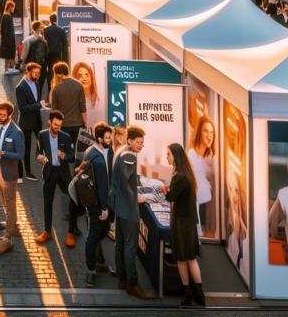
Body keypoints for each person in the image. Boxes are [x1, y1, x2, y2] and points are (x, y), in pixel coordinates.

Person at [109, 125, 155, 299]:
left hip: (118, 205)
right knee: (130, 246)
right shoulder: (129, 155)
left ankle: (122, 280)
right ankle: (133, 284)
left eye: (142, 143)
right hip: (127, 208)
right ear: (130, 140)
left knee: (120, 243)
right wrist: (134, 198)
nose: (141, 146)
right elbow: (127, 182)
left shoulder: (121, 149)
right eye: (138, 142)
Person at [161, 142, 205, 306]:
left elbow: (171, 197)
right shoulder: (186, 174)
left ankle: (188, 295)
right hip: (189, 222)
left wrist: (166, 191)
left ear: (175, 156)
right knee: (191, 259)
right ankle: (199, 295)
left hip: (181, 224)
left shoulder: (179, 176)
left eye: (168, 154)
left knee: (182, 260)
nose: (167, 156)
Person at [0, 101, 25, 255]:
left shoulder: (17, 132)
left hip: (8, 172)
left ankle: (7, 238)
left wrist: (3, 154)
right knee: (4, 201)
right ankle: (12, 224)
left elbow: (21, 155)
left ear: (10, 115)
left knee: (10, 203)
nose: (0, 117)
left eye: (3, 115)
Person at [35, 110, 77, 247]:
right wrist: (39, 157)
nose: (57, 127)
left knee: (72, 200)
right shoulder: (42, 135)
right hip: (49, 172)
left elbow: (73, 156)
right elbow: (38, 150)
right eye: (55, 124)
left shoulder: (65, 137)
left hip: (63, 172)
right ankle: (47, 231)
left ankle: (71, 232)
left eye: (59, 125)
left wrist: (65, 155)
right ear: (49, 122)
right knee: (47, 202)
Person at [83, 122, 114, 286]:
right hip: (97, 206)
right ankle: (91, 271)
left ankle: (94, 264)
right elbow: (102, 189)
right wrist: (104, 209)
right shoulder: (100, 161)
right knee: (92, 238)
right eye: (108, 138)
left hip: (90, 201)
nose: (110, 140)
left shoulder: (90, 151)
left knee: (96, 235)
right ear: (100, 139)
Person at [16, 63, 47, 181]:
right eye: (36, 73)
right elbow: (22, 108)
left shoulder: (37, 82)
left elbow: (36, 100)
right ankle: (27, 172)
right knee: (26, 148)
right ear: (28, 71)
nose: (38, 75)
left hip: (37, 120)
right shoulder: (20, 88)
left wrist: (42, 106)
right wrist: (37, 105)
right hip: (26, 123)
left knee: (44, 141)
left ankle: (44, 161)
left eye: (39, 73)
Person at [188, 116, 217, 237]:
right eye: (206, 131)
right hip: (199, 209)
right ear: (199, 131)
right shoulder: (192, 156)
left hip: (207, 207)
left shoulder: (209, 156)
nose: (209, 135)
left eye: (211, 132)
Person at [43, 15, 68, 81]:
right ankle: (56, 84)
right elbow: (65, 44)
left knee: (50, 70)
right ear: (56, 20)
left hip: (49, 53)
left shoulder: (46, 30)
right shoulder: (61, 30)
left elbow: (44, 42)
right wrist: (65, 58)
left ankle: (49, 86)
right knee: (57, 70)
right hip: (58, 53)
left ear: (50, 20)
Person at [0, 1, 18, 73]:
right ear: (10, 7)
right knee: (10, 53)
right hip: (9, 38)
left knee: (7, 54)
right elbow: (6, 29)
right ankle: (9, 68)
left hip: (7, 37)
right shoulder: (7, 16)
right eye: (12, 7)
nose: (13, 9)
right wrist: (7, 38)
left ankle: (7, 68)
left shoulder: (5, 16)